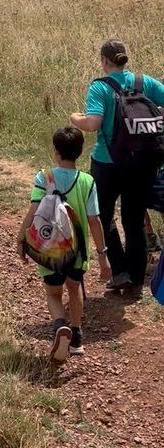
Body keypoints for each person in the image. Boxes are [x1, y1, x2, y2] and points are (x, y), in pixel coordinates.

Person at [71, 40, 164, 298]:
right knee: (134, 220)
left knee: (103, 215)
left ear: (104, 60)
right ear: (125, 60)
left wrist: (75, 118)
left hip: (108, 163)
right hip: (143, 163)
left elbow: (93, 123)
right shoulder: (143, 82)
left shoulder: (100, 87)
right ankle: (136, 279)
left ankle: (119, 272)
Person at [17, 127, 111, 365]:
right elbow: (94, 220)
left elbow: (34, 210)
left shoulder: (44, 177)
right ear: (80, 152)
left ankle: (60, 325)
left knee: (53, 293)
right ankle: (77, 336)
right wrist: (102, 254)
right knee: (74, 288)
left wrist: (21, 238)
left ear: (56, 151)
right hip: (77, 251)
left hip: (50, 248)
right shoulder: (88, 181)